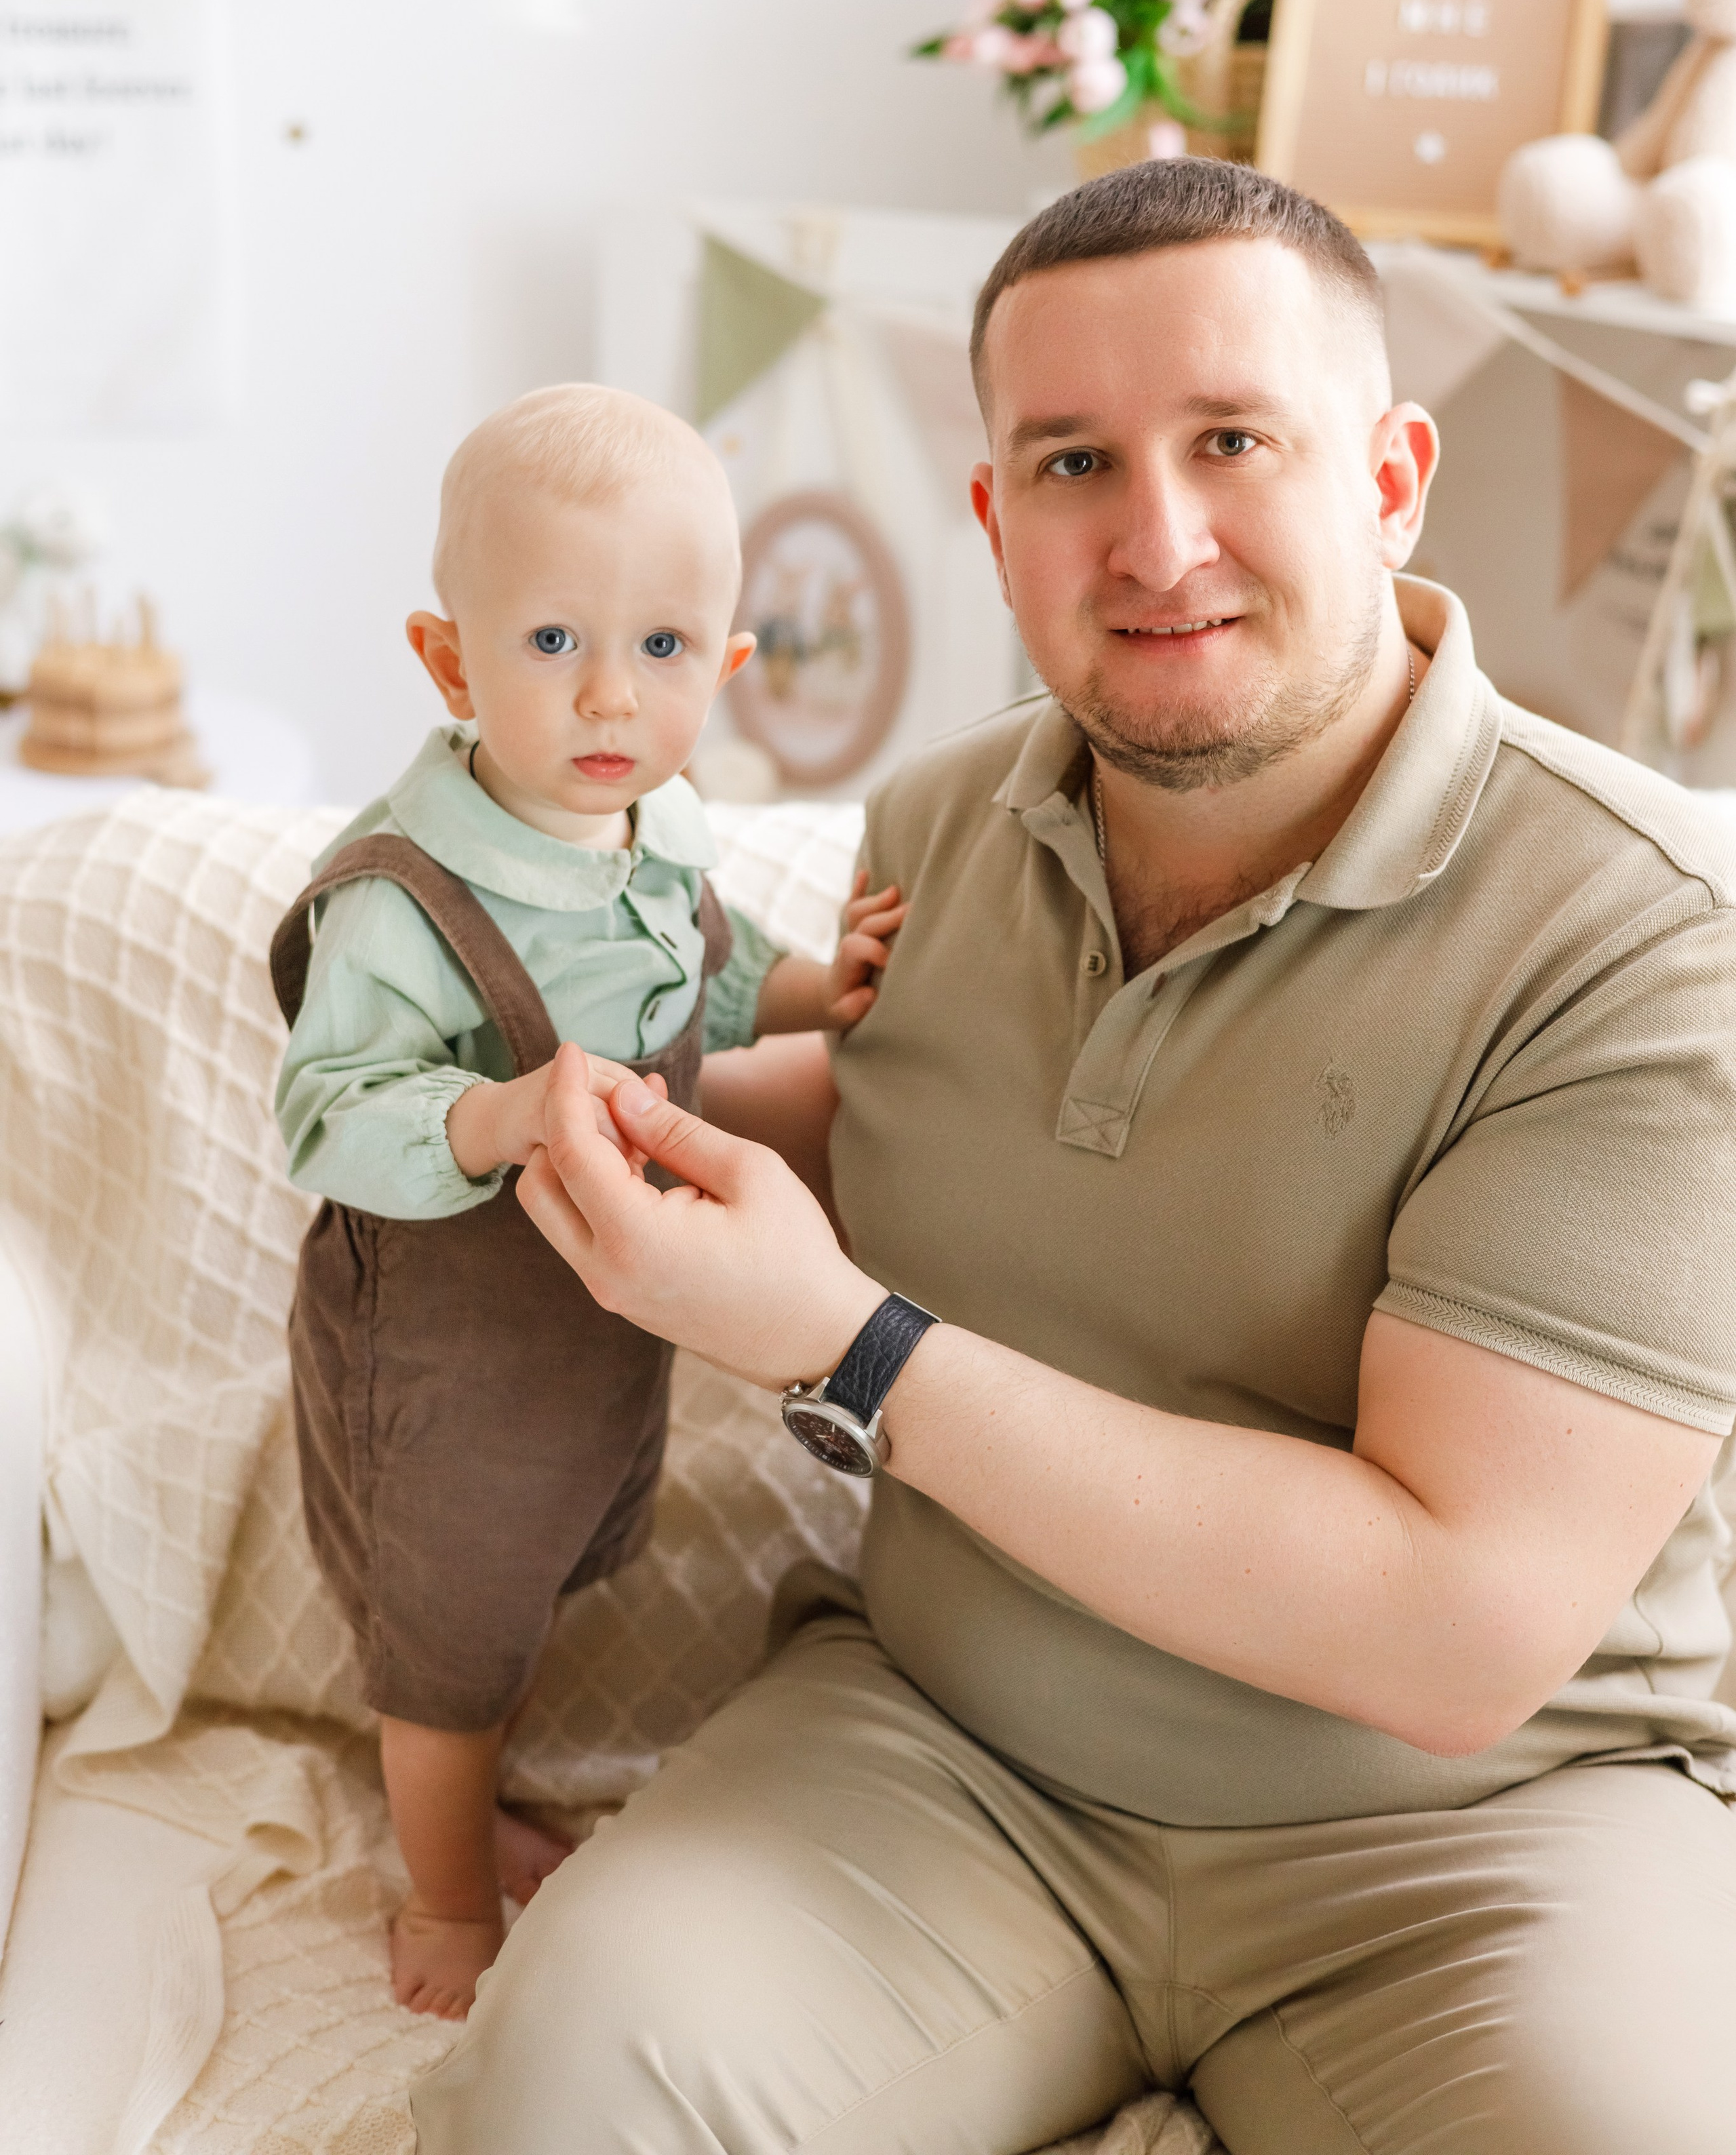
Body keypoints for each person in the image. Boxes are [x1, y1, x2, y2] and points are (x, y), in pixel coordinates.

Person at [410, 165, 1736, 2153]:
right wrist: (546, 1090)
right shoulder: (934, 825)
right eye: (1072, 462)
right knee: (556, 2093)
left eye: (1232, 440)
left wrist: (851, 1349)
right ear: (993, 520)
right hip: (952, 1757)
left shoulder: (1640, 932)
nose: (1158, 536)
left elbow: (1456, 1631)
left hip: (1476, 1840)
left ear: (1390, 476)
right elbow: (923, 1130)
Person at [270, 384, 904, 2020]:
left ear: (730, 664)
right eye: (551, 641)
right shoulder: (409, 898)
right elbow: (324, 1113)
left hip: (592, 1334)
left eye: (665, 649)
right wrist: (491, 1113)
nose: (612, 694)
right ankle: (441, 1898)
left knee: (539, 1569)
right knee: (447, 1624)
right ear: (446, 660)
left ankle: (480, 1808)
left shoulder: (654, 823)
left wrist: (817, 988)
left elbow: (705, 954)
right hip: (442, 1344)